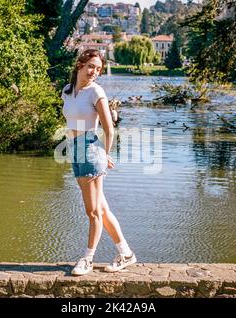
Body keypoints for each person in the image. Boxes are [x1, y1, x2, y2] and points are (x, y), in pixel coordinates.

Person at [60, 49, 136, 276]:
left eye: (98, 69)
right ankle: (126, 253)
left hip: (91, 150)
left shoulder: (96, 91)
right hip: (75, 150)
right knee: (102, 209)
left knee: (92, 211)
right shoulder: (67, 91)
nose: (94, 72)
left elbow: (109, 128)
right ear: (80, 65)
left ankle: (87, 259)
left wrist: (106, 153)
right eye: (91, 66)